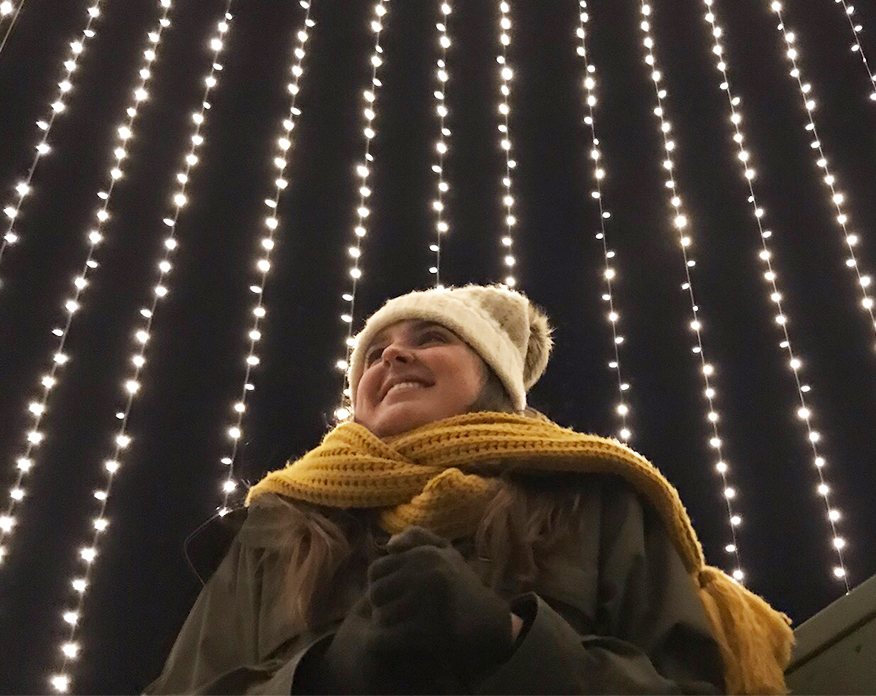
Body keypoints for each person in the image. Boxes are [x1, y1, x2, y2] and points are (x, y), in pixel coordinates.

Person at [145, 284, 793, 694]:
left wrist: (511, 640)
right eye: (375, 353)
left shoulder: (596, 500)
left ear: (493, 381)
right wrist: (322, 677)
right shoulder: (276, 529)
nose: (392, 357)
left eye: (431, 339)